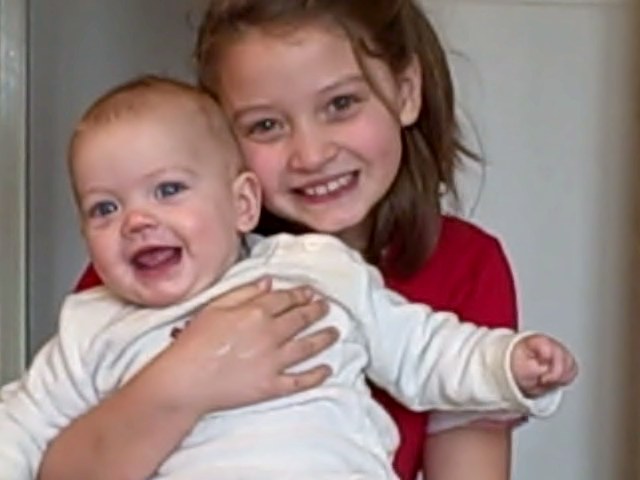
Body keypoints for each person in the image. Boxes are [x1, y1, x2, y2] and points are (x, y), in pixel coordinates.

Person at [36, 1, 551, 479]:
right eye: (265, 125)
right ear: (221, 136)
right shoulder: (154, 266)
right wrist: (187, 378)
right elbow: (55, 468)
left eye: (341, 104)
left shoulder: (464, 264)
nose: (310, 155)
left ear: (406, 91)